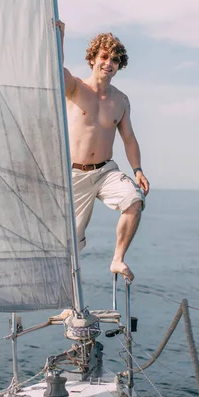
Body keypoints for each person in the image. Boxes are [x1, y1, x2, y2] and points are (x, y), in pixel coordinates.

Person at [58, 20, 149, 282]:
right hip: (75, 175)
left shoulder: (121, 100)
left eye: (116, 60)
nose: (109, 63)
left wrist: (138, 170)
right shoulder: (74, 87)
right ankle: (69, 304)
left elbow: (128, 138)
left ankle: (118, 259)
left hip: (106, 171)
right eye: (105, 57)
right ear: (93, 59)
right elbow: (53, 69)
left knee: (134, 200)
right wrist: (60, 38)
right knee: (70, 245)